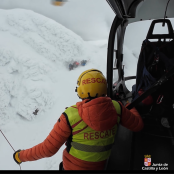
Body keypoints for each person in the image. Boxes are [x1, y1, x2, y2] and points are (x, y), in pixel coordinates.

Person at [13, 69, 144, 170]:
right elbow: (138, 125)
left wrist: (20, 156)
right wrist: (128, 106)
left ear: (81, 90)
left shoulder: (70, 116)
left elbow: (47, 149)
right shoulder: (117, 108)